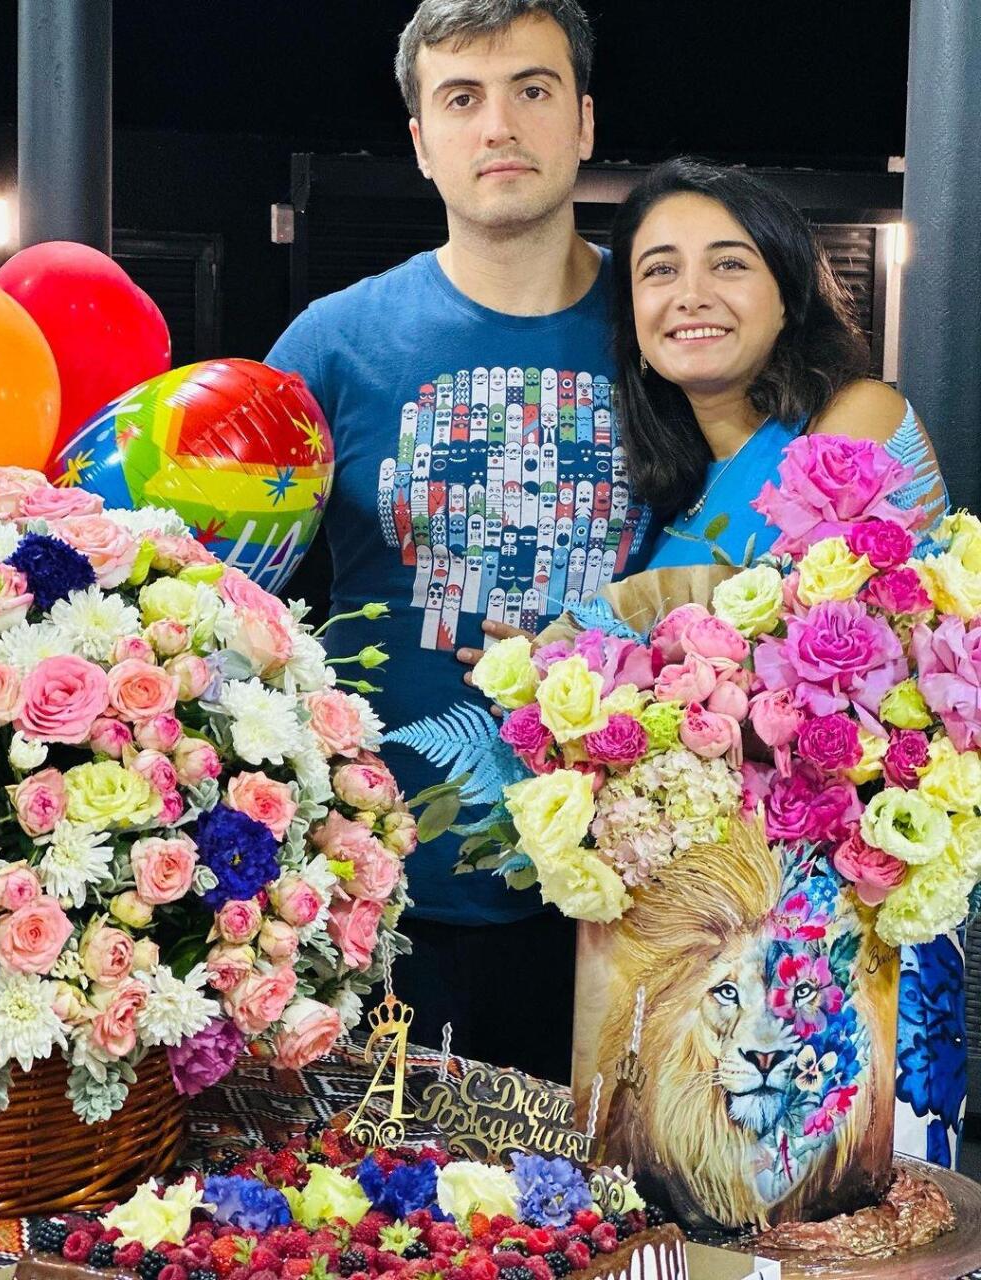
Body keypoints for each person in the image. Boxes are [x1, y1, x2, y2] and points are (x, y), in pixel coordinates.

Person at [266, 0, 650, 1082]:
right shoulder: (331, 345)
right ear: (421, 140)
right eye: (462, 98)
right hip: (377, 903)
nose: (499, 126)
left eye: (532, 90)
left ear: (583, 121)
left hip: (630, 899)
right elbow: (227, 601)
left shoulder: (669, 330)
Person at [607, 156, 961, 1167]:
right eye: (659, 270)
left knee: (861, 1207)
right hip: (726, 939)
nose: (690, 294)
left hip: (857, 903)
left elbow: (783, 634)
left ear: (788, 291)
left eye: (728, 263)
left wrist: (588, 656)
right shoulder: (670, 508)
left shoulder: (857, 418)